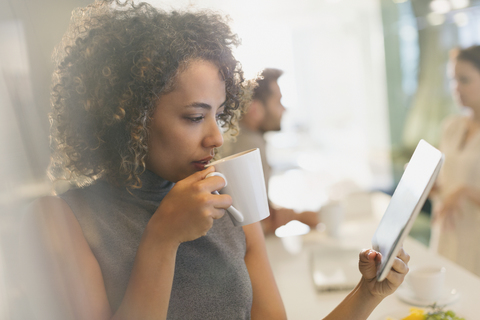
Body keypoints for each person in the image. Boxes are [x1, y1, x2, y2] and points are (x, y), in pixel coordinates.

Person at [19, 1, 409, 319]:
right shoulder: (60, 221)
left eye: (219, 114)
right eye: (193, 117)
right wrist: (162, 237)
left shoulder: (231, 200)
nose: (217, 137)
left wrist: (366, 295)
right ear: (128, 119)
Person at [221, 68, 319, 234]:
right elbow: (252, 222)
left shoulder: (240, 139)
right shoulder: (249, 146)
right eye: (278, 102)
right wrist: (296, 216)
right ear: (254, 109)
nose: (284, 110)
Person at [430, 45, 480, 277]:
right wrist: (427, 185)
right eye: (452, 79)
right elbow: (444, 182)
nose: (456, 87)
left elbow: (460, 187)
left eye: (464, 79)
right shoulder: (451, 126)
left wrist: (466, 192)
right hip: (446, 233)